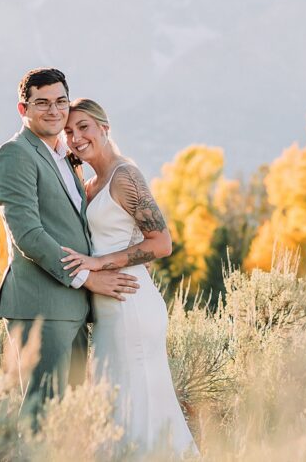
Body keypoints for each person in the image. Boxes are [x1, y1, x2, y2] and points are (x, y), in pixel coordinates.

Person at [0, 68, 140, 422]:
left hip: (73, 307)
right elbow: (27, 234)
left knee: (67, 418)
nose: (54, 111)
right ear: (22, 109)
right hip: (41, 305)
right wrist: (87, 277)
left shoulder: (66, 157)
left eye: (60, 102)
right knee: (42, 416)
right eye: (41, 103)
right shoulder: (15, 155)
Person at [61, 98, 197, 456]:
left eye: (84, 127)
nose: (76, 137)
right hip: (108, 310)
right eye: (69, 131)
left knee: (140, 407)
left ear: (105, 129)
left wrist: (99, 263)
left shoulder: (125, 176)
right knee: (116, 405)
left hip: (131, 305)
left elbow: (162, 242)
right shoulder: (90, 185)